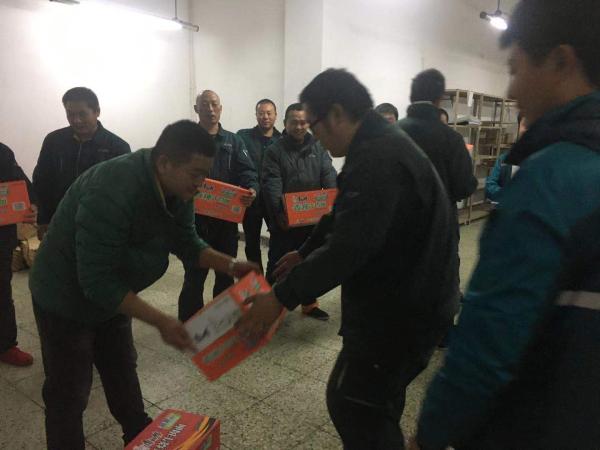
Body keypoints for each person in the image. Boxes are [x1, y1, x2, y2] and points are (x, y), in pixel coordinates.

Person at [411, 1, 600, 449]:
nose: (511, 90)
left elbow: (487, 342)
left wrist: (430, 434)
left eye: (515, 68)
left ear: (561, 61)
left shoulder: (549, 179)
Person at [237, 69, 458, 449]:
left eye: (315, 124)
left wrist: (279, 297)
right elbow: (341, 214)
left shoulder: (379, 156)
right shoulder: (374, 145)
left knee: (352, 402)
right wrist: (304, 252)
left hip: (405, 309)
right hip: (410, 300)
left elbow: (349, 247)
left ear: (337, 113)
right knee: (373, 402)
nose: (313, 134)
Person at [29, 120, 258, 450]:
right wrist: (162, 320)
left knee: (121, 366)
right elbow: (95, 281)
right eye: (196, 174)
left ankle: (139, 435)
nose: (201, 184)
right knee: (69, 390)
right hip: (64, 297)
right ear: (164, 163)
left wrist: (232, 266)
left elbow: (187, 242)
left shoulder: (180, 188)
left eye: (205, 174)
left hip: (115, 290)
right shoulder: (111, 189)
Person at [398, 69, 477, 330]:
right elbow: (465, 186)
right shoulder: (451, 139)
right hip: (440, 225)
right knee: (441, 277)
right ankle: (442, 333)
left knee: (402, 275)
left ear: (412, 95)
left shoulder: (394, 133)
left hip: (398, 225)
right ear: (439, 98)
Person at [178, 90, 259, 322]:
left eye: (214, 104)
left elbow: (248, 171)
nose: (210, 109)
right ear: (197, 109)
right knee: (194, 276)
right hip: (194, 221)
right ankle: (189, 325)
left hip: (225, 222)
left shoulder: (234, 141)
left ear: (221, 108)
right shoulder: (184, 141)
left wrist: (251, 189)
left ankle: (222, 323)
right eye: (205, 104)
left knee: (225, 274)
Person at [261, 103, 337, 321]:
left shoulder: (318, 147)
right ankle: (267, 306)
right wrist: (280, 214)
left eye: (303, 122)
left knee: (310, 263)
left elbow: (329, 176)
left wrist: (333, 201)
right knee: (279, 263)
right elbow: (272, 184)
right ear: (285, 123)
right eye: (294, 122)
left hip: (313, 220)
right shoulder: (274, 151)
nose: (299, 126)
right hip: (284, 221)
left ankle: (309, 304)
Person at [32, 87, 130, 241]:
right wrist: (43, 219)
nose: (76, 120)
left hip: (100, 227)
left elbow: (124, 193)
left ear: (97, 111)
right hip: (59, 222)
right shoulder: (54, 141)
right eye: (70, 114)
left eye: (82, 114)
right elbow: (41, 181)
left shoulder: (117, 147)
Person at [0, 143, 36, 367]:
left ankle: (6, 346)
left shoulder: (2, 152)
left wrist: (30, 207)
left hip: (1, 236)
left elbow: (23, 187)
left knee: (1, 291)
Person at [237, 99, 282, 273]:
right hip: (251, 199)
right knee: (252, 243)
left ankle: (273, 278)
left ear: (275, 115)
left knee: (278, 241)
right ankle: (257, 281)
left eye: (269, 113)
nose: (265, 117)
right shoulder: (243, 137)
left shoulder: (283, 140)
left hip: (274, 201)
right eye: (261, 113)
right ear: (256, 115)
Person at [485, 114, 526, 202]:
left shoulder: (545, 161)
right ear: (519, 127)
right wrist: (508, 195)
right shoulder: (505, 158)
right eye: (525, 125)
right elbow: (490, 186)